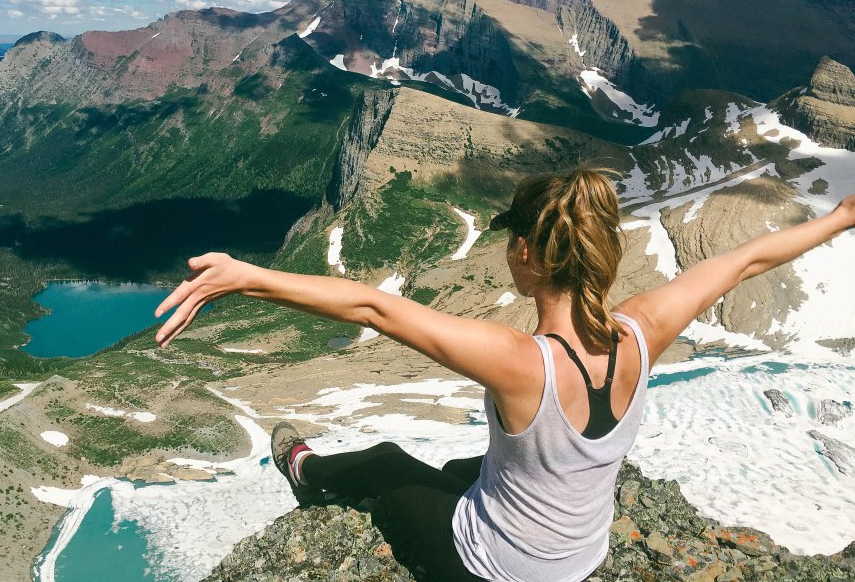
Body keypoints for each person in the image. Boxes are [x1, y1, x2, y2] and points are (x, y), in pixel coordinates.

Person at [154, 168, 855, 582]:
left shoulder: (525, 364)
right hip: (582, 556)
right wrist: (842, 217)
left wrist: (244, 278)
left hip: (499, 570)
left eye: (508, 243)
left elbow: (375, 307)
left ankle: (305, 472)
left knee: (394, 466)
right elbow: (745, 261)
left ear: (526, 253)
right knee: (473, 462)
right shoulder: (645, 329)